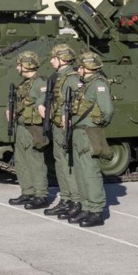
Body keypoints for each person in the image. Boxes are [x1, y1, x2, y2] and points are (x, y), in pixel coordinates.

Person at [67, 51, 114, 227]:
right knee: (81, 172)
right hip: (79, 131)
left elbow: (107, 111)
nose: (78, 70)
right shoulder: (85, 85)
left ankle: (96, 210)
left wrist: (97, 124)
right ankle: (86, 206)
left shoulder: (98, 85)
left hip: (89, 132)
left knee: (90, 173)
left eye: (80, 66)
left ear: (88, 68)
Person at [38, 43, 82, 220]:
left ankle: (75, 200)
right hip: (56, 125)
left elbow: (79, 102)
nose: (50, 61)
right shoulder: (56, 77)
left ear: (63, 59)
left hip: (66, 126)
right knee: (60, 162)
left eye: (54, 58)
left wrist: (70, 117)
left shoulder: (72, 78)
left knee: (68, 163)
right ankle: (66, 198)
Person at [8, 50, 52, 209]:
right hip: (21, 126)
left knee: (35, 161)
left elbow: (43, 101)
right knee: (21, 161)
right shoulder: (24, 84)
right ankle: (27, 191)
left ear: (26, 65)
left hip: (33, 127)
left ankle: (40, 195)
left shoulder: (40, 83)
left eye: (19, 64)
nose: (17, 68)